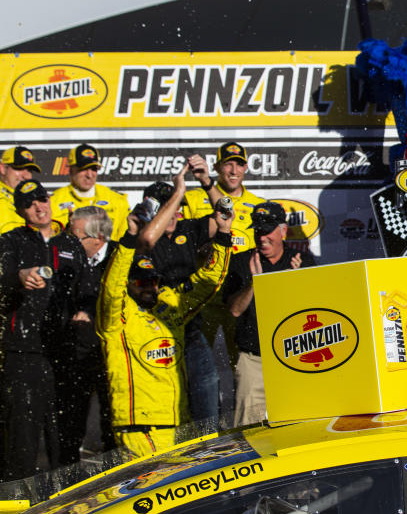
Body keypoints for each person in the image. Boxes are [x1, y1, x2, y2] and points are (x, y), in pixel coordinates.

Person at [97, 171, 232, 458]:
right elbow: (111, 288)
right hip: (140, 425)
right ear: (130, 283)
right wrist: (130, 237)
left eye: (153, 280)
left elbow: (208, 282)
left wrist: (223, 235)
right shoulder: (118, 317)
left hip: (176, 422)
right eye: (141, 281)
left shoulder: (169, 308)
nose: (149, 286)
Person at [0, 180, 86, 479]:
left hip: (64, 352)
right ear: (20, 210)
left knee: (65, 438)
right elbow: (2, 279)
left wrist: (84, 311)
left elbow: (88, 288)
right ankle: (13, 510)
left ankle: (72, 507)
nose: (38, 206)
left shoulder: (70, 244)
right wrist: (17, 277)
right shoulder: (10, 241)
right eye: (29, 203)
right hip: (23, 353)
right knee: (21, 438)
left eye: (41, 199)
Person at [222, 201, 316, 426]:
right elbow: (235, 310)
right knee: (249, 432)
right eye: (258, 231)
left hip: (294, 358)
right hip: (254, 360)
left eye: (267, 231)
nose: (262, 237)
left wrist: (295, 282)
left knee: (298, 427)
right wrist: (257, 283)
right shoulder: (240, 261)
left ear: (283, 231)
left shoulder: (302, 261)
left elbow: (313, 312)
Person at [183, 142, 265, 367]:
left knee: (242, 364)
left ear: (246, 168)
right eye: (228, 164)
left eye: (239, 165)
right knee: (197, 365)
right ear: (217, 167)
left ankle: (243, 404)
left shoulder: (258, 205)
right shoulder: (193, 199)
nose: (233, 171)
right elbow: (181, 246)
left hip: (238, 298)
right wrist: (202, 247)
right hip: (203, 298)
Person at [56, 206, 116, 463]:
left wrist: (92, 313)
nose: (71, 242)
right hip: (74, 352)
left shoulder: (118, 257)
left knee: (112, 421)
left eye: (76, 237)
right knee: (71, 420)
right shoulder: (68, 257)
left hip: (110, 352)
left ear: (98, 237)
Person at [50, 143, 128, 241]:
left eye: (94, 169)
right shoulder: (53, 201)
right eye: (83, 169)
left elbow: (125, 242)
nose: (89, 175)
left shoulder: (117, 200)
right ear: (70, 170)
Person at [0, 145, 40, 235]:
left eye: (29, 170)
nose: (26, 176)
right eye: (19, 168)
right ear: (2, 168)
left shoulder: (38, 202)